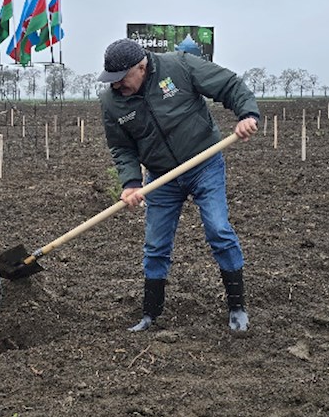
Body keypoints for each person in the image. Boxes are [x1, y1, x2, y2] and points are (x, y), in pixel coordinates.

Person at [97, 38, 259, 333]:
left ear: (141, 67)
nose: (116, 87)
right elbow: (122, 148)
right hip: (160, 176)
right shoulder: (112, 102)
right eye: (112, 81)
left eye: (121, 80)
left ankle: (237, 307)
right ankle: (150, 315)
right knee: (155, 245)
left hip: (204, 163)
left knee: (218, 229)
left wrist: (247, 114)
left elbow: (229, 85)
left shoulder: (179, 66)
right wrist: (132, 183)